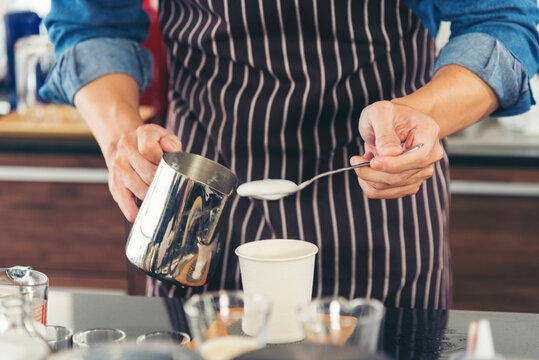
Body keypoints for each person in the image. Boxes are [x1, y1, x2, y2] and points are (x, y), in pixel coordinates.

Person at [40, 0, 539, 309]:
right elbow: (92, 21)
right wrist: (120, 133)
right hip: (205, 200)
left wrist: (422, 113)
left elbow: (502, 18)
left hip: (382, 192)